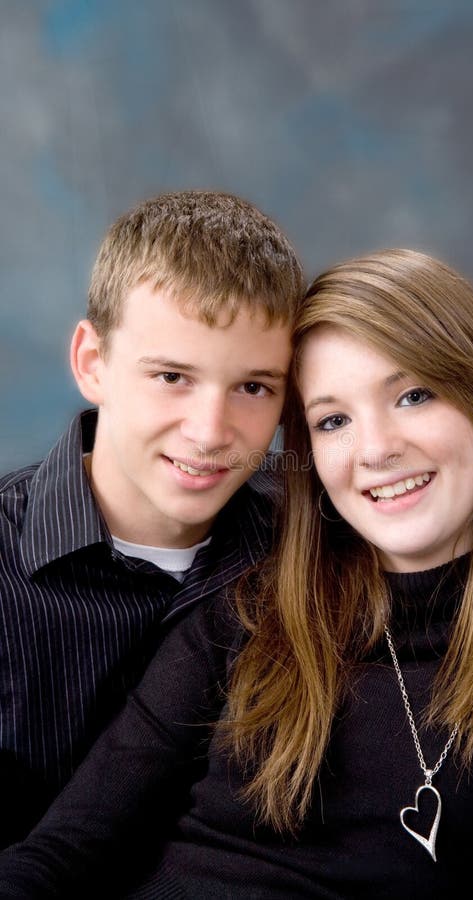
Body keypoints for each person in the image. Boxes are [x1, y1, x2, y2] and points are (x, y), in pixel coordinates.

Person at [0, 248, 473, 898]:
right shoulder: (254, 609)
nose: (375, 449)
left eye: (413, 395)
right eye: (333, 420)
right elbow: (63, 852)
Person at [0, 189, 303, 847]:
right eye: (172, 376)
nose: (210, 431)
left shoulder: (311, 538)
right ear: (92, 363)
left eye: (253, 387)